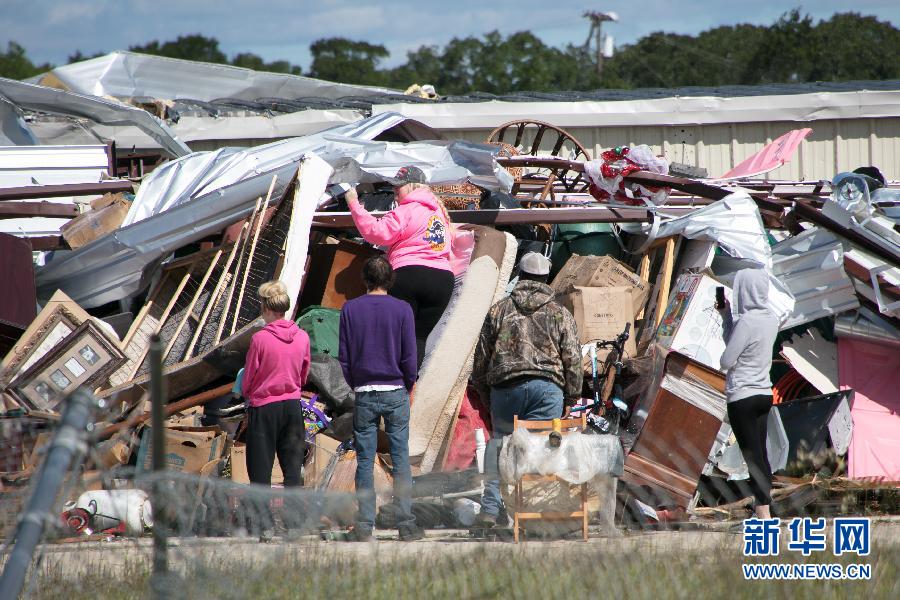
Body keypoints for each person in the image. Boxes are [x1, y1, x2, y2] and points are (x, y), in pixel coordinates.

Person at [471, 252, 582, 527]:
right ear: (546, 278)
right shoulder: (559, 314)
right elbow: (573, 358)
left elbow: (481, 358)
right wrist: (572, 395)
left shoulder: (499, 310)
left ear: (519, 276)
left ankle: (489, 509)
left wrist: (487, 396)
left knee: (499, 446)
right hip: (547, 389)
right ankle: (534, 515)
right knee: (541, 449)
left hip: (505, 389)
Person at [339, 255, 423, 541]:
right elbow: (409, 356)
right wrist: (408, 384)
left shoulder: (350, 309)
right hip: (395, 390)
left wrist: (357, 383)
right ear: (390, 280)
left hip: (364, 391)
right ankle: (406, 524)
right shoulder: (402, 310)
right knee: (400, 459)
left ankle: (364, 526)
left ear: (365, 279)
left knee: (365, 460)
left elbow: (345, 357)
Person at [344, 166, 455, 367]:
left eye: (399, 187)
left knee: (394, 337)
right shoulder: (439, 212)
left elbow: (377, 232)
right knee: (417, 339)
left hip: (410, 275)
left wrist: (354, 203)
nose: (395, 191)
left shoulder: (407, 210)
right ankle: (407, 389)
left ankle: (388, 385)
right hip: (443, 281)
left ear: (413, 186)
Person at [241, 280, 311, 537]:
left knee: (260, 469)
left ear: (266, 308)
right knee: (292, 468)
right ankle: (293, 524)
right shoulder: (302, 336)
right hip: (292, 407)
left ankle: (265, 526)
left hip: (264, 408)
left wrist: (247, 392)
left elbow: (248, 379)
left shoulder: (260, 339)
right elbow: (304, 374)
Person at [719, 268, 779, 520]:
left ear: (744, 291)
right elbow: (744, 346)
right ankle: (762, 509)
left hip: (741, 396)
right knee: (760, 454)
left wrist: (729, 321)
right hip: (764, 394)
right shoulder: (771, 318)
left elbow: (726, 359)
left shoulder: (746, 321)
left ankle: (763, 514)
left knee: (751, 457)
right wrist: (727, 318)